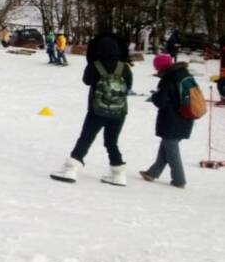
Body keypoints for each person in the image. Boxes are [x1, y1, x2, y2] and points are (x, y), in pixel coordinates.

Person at [51, 34, 132, 186]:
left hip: (97, 109)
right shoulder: (124, 67)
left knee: (86, 138)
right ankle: (118, 174)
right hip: (119, 111)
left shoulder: (95, 65)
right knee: (112, 142)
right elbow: (129, 86)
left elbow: (86, 81)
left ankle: (71, 169)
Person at [140, 54, 196, 188]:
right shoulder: (184, 75)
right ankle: (152, 173)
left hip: (172, 118)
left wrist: (155, 96)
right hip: (186, 116)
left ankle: (179, 179)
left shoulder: (168, 79)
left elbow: (161, 102)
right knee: (167, 145)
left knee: (171, 148)